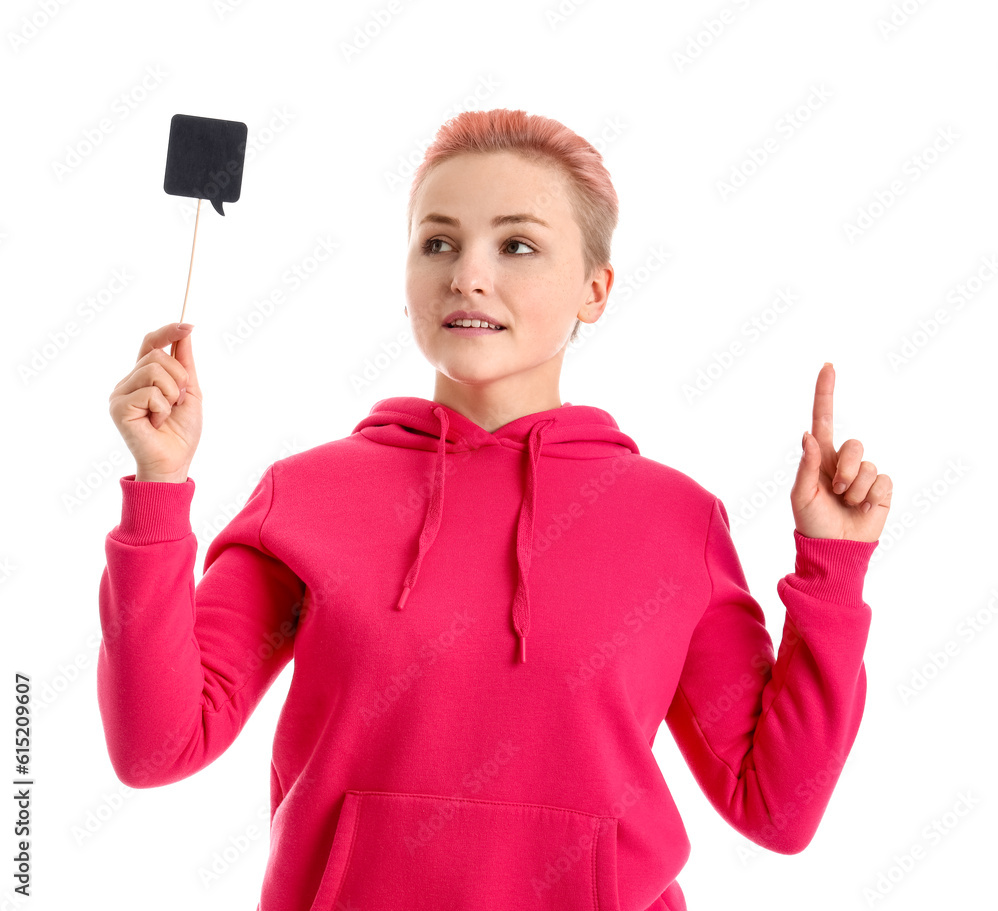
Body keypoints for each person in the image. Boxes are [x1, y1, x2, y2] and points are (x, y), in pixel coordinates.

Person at [100, 108, 893, 911]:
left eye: (517, 245)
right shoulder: (304, 495)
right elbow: (157, 745)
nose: (466, 275)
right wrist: (159, 489)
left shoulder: (677, 522)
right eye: (438, 241)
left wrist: (832, 573)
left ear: (596, 289)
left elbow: (777, 809)